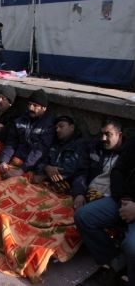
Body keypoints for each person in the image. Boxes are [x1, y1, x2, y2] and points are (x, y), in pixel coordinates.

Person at [74, 120, 133, 286]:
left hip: (124, 203)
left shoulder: (125, 150)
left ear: (119, 135)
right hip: (117, 199)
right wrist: (79, 192)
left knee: (131, 245)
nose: (103, 138)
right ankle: (114, 263)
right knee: (82, 216)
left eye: (109, 134)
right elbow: (84, 171)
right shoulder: (97, 148)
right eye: (102, 134)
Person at [0, 89, 54, 178]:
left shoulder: (48, 127)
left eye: (35, 105)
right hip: (15, 161)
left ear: (44, 108)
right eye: (29, 104)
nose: (30, 108)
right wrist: (4, 161)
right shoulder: (19, 121)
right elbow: (11, 142)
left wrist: (21, 171)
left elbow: (39, 151)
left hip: (31, 167)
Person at [32, 116, 87, 202]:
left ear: (72, 127)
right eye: (56, 128)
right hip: (47, 184)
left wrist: (45, 176)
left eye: (61, 126)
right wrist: (46, 167)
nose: (57, 130)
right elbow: (40, 161)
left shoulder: (80, 145)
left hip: (67, 186)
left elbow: (70, 171)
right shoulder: (55, 143)